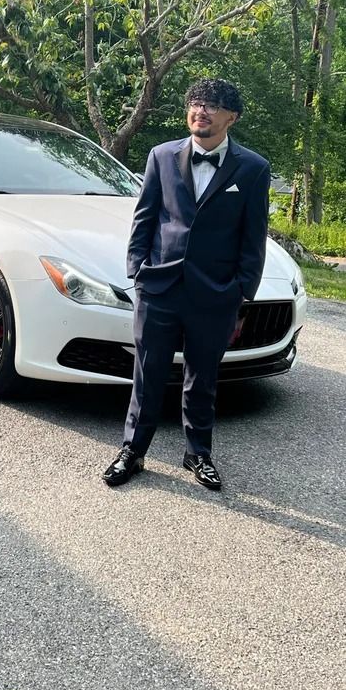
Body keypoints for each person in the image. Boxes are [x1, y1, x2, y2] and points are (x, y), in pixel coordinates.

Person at [103, 78, 270, 489]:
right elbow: (146, 216)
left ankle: (198, 453)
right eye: (196, 103)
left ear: (231, 117)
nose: (202, 111)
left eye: (212, 105)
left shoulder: (252, 169)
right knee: (148, 373)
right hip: (159, 287)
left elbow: (254, 235)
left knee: (203, 378)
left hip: (215, 293)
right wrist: (137, 270)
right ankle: (133, 451)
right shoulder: (161, 156)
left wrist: (240, 290)